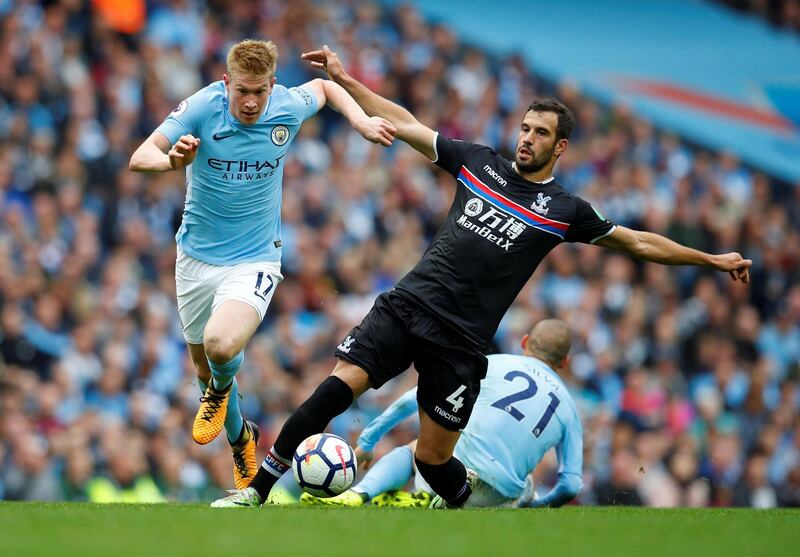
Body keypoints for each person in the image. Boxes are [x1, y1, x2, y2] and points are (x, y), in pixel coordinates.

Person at [212, 45, 751, 508]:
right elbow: (405, 123)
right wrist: (346, 78)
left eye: (540, 133)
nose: (527, 138)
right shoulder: (478, 162)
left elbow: (636, 241)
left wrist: (711, 260)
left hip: (462, 340)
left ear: (559, 146)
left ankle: (478, 508)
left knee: (433, 458)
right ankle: (256, 490)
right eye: (524, 127)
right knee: (336, 390)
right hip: (408, 305)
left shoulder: (563, 209)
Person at [128, 39, 395, 490]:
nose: (251, 102)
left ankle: (217, 392)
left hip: (254, 258)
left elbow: (326, 90)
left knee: (220, 348)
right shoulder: (201, 107)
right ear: (227, 82)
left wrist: (362, 120)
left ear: (273, 85)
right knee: (202, 366)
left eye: (260, 92)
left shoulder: (286, 106)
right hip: (194, 259)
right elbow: (140, 157)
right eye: (242, 91)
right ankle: (241, 442)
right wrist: (171, 162)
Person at [302, 319, 583, 509]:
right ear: (565, 362)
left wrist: (369, 439)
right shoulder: (569, 409)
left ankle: (359, 494)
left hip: (455, 470)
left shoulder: (492, 366)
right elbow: (571, 484)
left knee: (417, 448)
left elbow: (414, 399)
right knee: (526, 486)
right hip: (498, 496)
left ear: (524, 342)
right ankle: (439, 499)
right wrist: (535, 507)